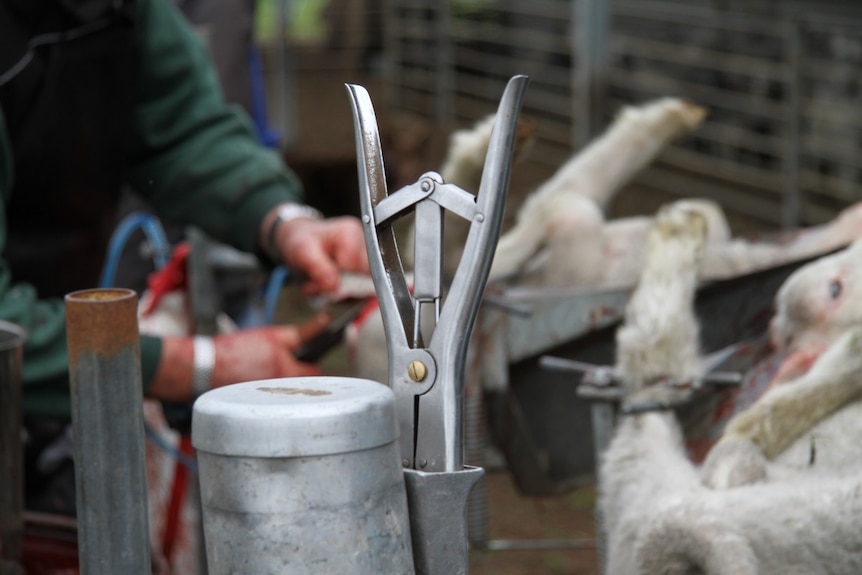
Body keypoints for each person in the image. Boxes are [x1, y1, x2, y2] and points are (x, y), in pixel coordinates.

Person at [0, 0, 368, 513]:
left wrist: (286, 222)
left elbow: (183, 129)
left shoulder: (124, 10)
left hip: (50, 349)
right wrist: (196, 367)